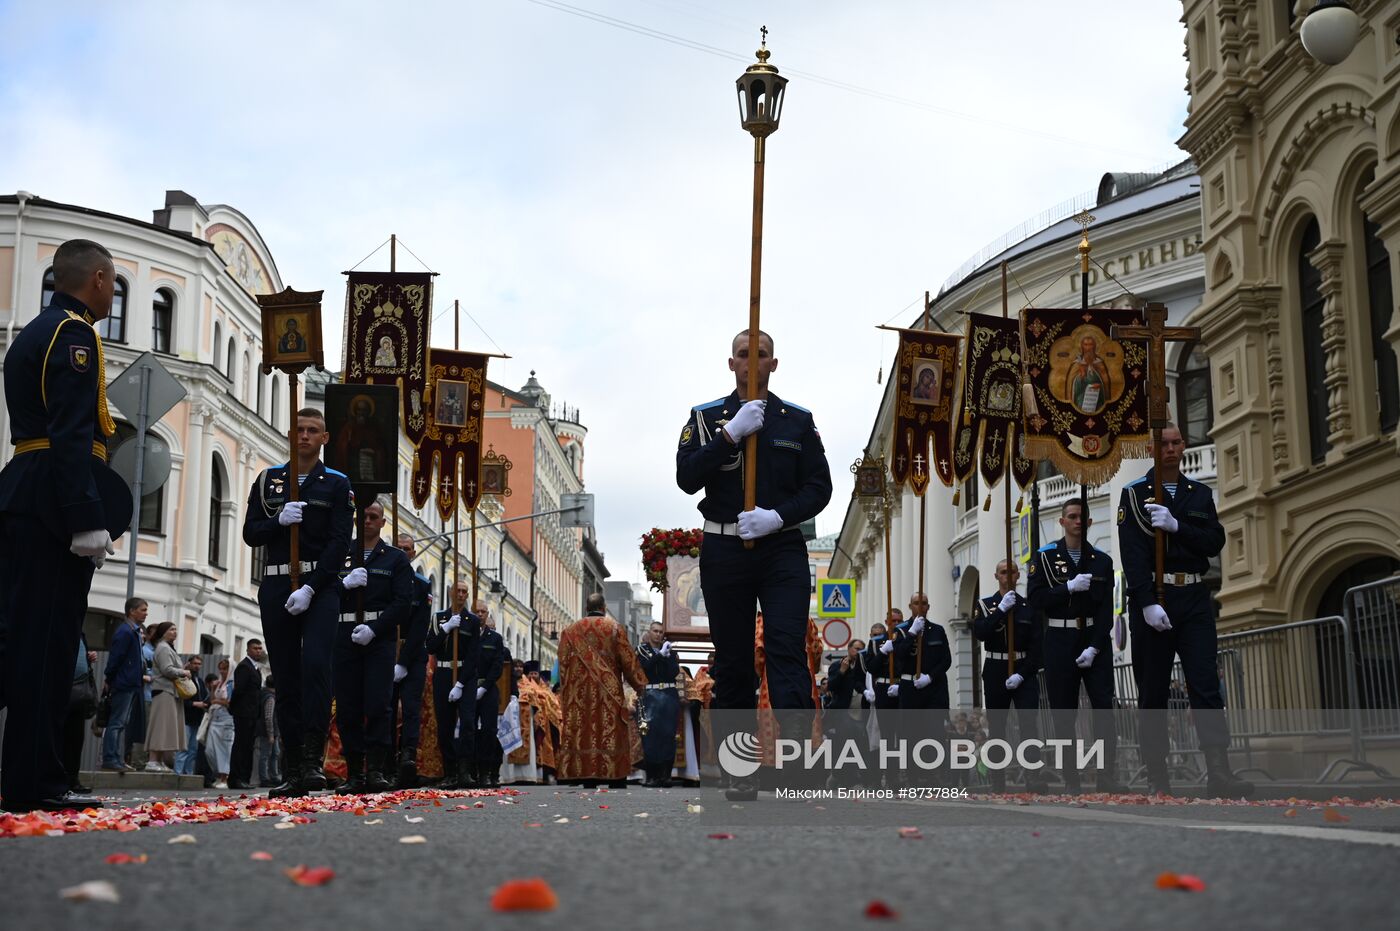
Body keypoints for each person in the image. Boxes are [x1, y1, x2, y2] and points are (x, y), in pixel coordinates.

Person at [675, 329, 833, 800]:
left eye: (759, 355)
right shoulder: (705, 419)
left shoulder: (797, 422)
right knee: (735, 663)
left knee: (787, 651)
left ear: (773, 363)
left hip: (781, 547)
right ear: (731, 363)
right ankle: (740, 772)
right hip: (724, 550)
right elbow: (686, 477)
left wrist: (778, 517)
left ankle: (799, 765)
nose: (751, 362)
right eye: (743, 354)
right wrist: (729, 436)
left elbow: (819, 487)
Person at [0, 239, 124, 811]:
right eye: (114, 280)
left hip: (30, 489)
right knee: (46, 649)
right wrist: (85, 517)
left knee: (29, 643)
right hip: (53, 500)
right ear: (97, 278)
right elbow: (73, 430)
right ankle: (37, 783)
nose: (112, 290)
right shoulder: (73, 334)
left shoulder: (35, 330)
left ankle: (36, 776)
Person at [1119, 423, 1252, 798]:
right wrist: (1145, 603)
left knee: (1206, 686)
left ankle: (1219, 771)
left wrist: (1177, 527)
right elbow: (1132, 554)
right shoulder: (1133, 495)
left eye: (1177, 442)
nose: (1171, 449)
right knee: (1153, 692)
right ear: (1153, 448)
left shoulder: (1199, 494)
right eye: (1164, 444)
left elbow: (1213, 541)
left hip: (1193, 597)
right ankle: (1157, 775)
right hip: (1155, 601)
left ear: (1184, 446)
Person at [242, 407, 353, 797]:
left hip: (318, 586)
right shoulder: (269, 480)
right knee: (286, 675)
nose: (304, 436)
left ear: (324, 438)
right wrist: (277, 523)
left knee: (316, 667)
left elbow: (340, 541)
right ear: (291, 435)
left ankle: (311, 761)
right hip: (275, 584)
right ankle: (292, 767)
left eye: (313, 430)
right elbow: (250, 533)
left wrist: (312, 587)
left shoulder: (337, 484)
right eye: (299, 430)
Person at [1027, 496, 1128, 794]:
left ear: (1090, 522)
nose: (1077, 521)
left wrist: (1095, 646)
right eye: (1071, 516)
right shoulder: (1044, 558)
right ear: (1062, 521)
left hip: (1094, 640)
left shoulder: (1102, 561)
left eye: (1081, 517)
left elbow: (1106, 610)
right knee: (1063, 713)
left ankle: (1106, 774)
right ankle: (1071, 777)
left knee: (1103, 709)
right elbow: (1036, 600)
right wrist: (1066, 588)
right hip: (1060, 639)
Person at [334, 499, 412, 793]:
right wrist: (345, 585)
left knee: (379, 704)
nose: (367, 521)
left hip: (378, 639)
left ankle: (376, 770)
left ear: (382, 523)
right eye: (363, 516)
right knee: (348, 706)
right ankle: (354, 772)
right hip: (344, 635)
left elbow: (403, 604)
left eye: (373, 516)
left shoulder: (395, 559)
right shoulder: (341, 553)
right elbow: (325, 592)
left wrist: (376, 629)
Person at [972, 560, 1049, 794]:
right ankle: (998, 780)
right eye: (1004, 572)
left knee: (1029, 725)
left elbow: (1037, 646)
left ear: (1018, 575)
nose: (1009, 575)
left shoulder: (1029, 606)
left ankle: (1032, 777)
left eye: (1012, 571)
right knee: (997, 727)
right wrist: (1001, 611)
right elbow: (982, 633)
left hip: (1023, 669)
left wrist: (1022, 674)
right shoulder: (986, 605)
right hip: (996, 668)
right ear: (996, 576)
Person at [556, 593, 649, 786]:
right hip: (609, 692)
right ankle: (614, 777)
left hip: (578, 695)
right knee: (610, 732)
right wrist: (640, 685)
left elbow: (563, 665)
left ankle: (586, 776)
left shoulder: (569, 631)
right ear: (604, 608)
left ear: (586, 608)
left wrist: (566, 693)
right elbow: (628, 661)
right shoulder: (614, 628)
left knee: (584, 733)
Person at [424, 580, 481, 789]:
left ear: (468, 595)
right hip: (443, 672)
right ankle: (450, 772)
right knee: (445, 726)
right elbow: (430, 646)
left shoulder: (473, 621)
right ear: (450, 592)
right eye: (457, 590)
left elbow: (474, 655)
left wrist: (460, 684)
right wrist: (446, 629)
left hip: (465, 675)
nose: (460, 594)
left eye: (465, 591)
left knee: (467, 723)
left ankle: (465, 770)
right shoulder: (439, 618)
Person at [894, 592, 952, 785]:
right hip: (910, 688)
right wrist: (911, 634)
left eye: (924, 603)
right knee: (911, 733)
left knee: (934, 732)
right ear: (910, 606)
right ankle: (913, 776)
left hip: (933, 687)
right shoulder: (901, 631)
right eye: (916, 603)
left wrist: (930, 677)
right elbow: (899, 655)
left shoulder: (937, 630)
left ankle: (934, 775)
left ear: (928, 607)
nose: (921, 606)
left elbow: (946, 660)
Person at [393, 532, 433, 787]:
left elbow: (420, 626)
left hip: (413, 653)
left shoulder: (421, 584)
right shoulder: (385, 579)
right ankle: (382, 759)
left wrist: (404, 662)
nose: (404, 552)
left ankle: (408, 757)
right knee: (384, 708)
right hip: (386, 650)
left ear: (413, 553)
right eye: (399, 548)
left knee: (410, 709)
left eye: (408, 549)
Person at [101, 598, 147, 773]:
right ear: (132, 611)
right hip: (124, 683)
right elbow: (116, 658)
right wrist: (109, 678)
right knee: (117, 722)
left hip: (130, 682)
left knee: (121, 722)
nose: (145, 613)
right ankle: (110, 758)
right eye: (142, 610)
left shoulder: (133, 631)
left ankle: (115, 757)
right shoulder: (126, 632)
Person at [636, 622, 681, 787]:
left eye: (661, 632)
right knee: (650, 736)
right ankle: (652, 776)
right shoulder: (642, 650)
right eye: (655, 631)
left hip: (669, 694)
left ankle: (665, 775)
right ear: (650, 632)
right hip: (651, 694)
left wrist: (668, 657)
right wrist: (659, 656)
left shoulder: (669, 651)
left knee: (668, 735)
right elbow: (644, 668)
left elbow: (674, 672)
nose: (658, 634)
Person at [145, 622, 189, 773]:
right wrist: (183, 672)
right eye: (171, 629)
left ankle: (159, 760)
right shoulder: (163, 648)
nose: (175, 632)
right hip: (164, 691)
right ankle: (152, 760)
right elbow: (167, 669)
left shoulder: (167, 647)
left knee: (165, 727)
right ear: (163, 632)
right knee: (160, 726)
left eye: (176, 629)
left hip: (169, 692)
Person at [475, 603, 508, 788]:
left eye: (483, 612)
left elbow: (497, 666)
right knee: (469, 729)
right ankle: (470, 770)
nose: (480, 614)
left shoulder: (495, 638)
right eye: (477, 611)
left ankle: (486, 772)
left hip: (488, 689)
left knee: (489, 731)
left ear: (487, 614)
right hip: (468, 686)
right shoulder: (467, 634)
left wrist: (484, 687)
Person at [62, 632, 99, 795]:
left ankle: (72, 779)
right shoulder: (58, 628)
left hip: (80, 691)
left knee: (76, 738)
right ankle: (60, 779)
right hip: (62, 689)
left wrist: (88, 656)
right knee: (61, 737)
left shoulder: (80, 633)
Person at [229, 640, 265, 789]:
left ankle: (244, 777)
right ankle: (236, 778)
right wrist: (234, 708)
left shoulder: (255, 668)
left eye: (260, 648)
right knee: (241, 745)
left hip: (252, 713)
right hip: (243, 713)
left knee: (247, 746)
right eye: (255, 648)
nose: (258, 651)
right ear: (248, 650)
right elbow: (238, 691)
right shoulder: (244, 667)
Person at [205, 658, 235, 789]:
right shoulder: (219, 683)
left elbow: (229, 702)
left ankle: (225, 777)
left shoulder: (232, 683)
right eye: (221, 669)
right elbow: (212, 699)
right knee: (210, 749)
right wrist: (212, 688)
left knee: (224, 749)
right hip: (215, 718)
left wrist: (217, 702)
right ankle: (218, 774)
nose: (222, 671)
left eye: (225, 669)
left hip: (226, 718)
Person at [176, 657, 208, 776]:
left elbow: (204, 697)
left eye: (199, 664)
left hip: (197, 719)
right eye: (194, 663)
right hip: (186, 718)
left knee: (193, 750)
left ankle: (188, 773)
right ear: (189, 664)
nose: (197, 666)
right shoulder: (183, 679)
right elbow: (180, 699)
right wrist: (195, 704)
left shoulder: (199, 681)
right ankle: (178, 773)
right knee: (183, 748)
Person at [1069, 335, 1110, 413]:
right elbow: (1071, 386)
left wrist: (1100, 386)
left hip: (1097, 398)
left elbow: (1106, 383)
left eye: (1090, 345)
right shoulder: (1077, 364)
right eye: (1086, 345)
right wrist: (1080, 377)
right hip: (1081, 399)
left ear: (1094, 346)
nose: (1088, 348)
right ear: (1082, 346)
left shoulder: (1099, 363)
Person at [257, 676, 281, 788]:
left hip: (271, 732)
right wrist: (271, 734)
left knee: (274, 753)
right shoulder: (270, 698)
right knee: (266, 755)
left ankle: (273, 776)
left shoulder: (264, 695)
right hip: (268, 732)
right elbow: (269, 716)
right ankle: (265, 778)